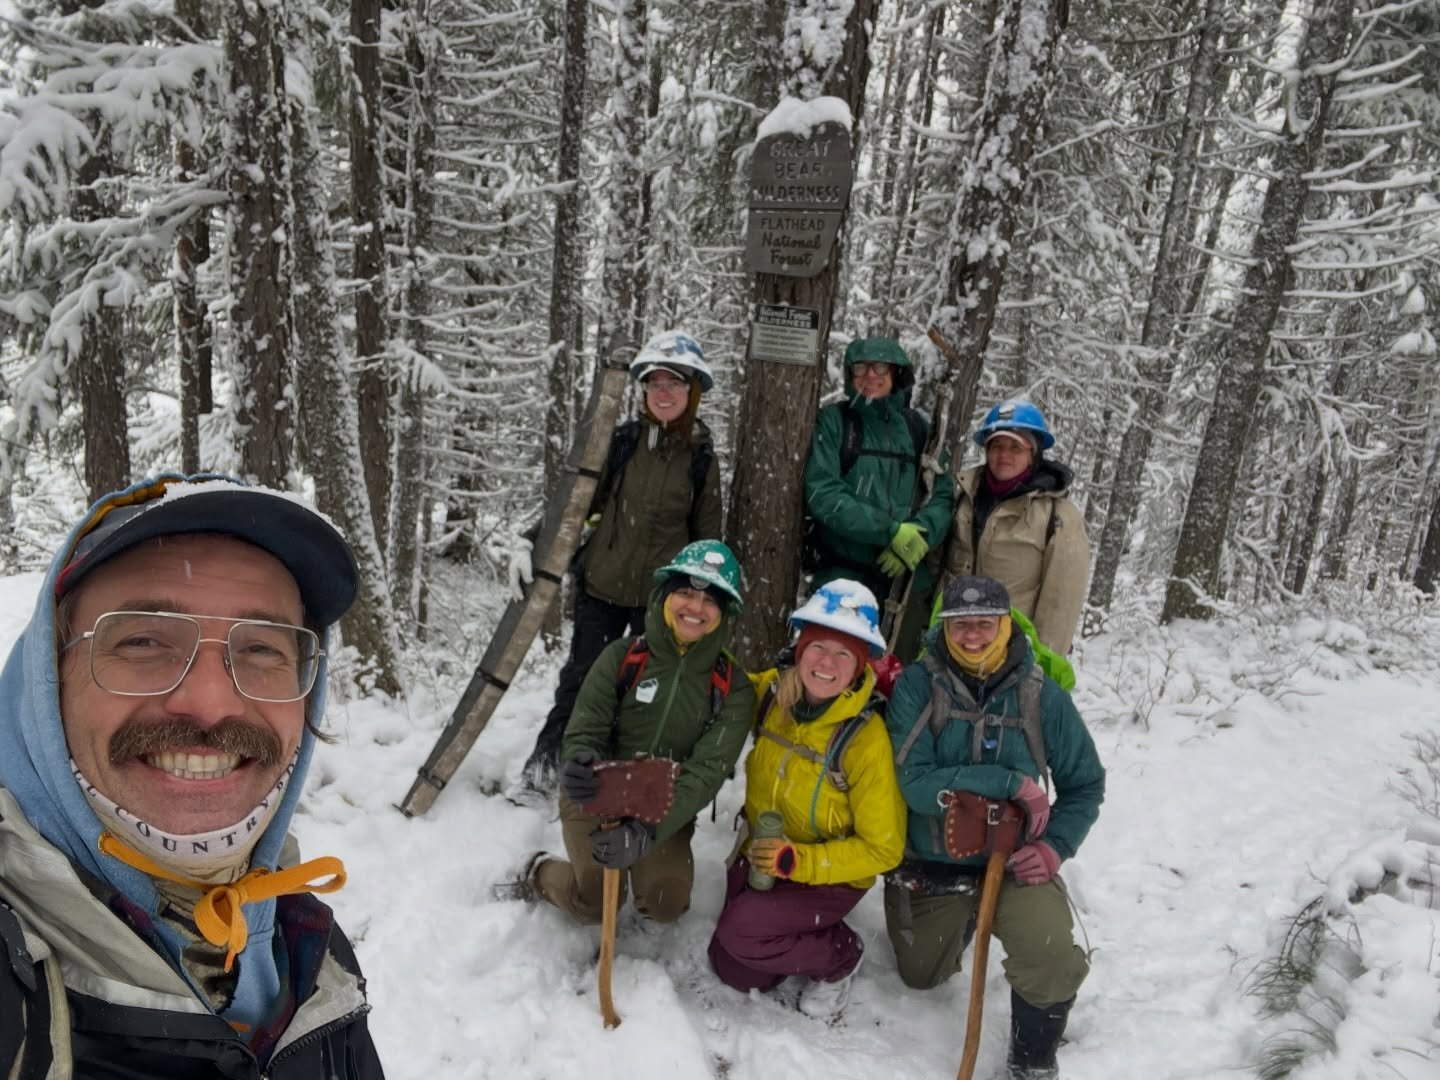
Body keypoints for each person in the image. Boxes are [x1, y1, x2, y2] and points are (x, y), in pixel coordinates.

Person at [0, 473, 384, 1078]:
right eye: (144, 639)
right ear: (48, 682)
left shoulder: (308, 954)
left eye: (262, 649)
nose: (210, 704)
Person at [884, 575, 1104, 1080]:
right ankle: (961, 920)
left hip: (1014, 860)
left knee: (1049, 956)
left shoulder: (1042, 697)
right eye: (960, 624)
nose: (972, 635)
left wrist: (1054, 848)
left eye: (985, 623)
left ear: (1006, 625)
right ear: (944, 626)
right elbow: (912, 782)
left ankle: (1032, 1060)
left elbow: (1086, 784)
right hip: (934, 860)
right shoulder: (918, 686)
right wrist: (1008, 781)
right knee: (920, 974)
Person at [500, 541, 754, 927]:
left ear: (724, 612)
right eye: (685, 592)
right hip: (598, 795)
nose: (695, 608)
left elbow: (706, 773)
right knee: (594, 902)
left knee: (667, 902)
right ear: (666, 595)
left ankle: (646, 861)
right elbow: (587, 725)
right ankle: (538, 871)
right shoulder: (624, 656)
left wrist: (648, 830)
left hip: (665, 803)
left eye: (710, 600)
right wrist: (580, 762)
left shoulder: (732, 688)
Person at [519, 330, 724, 795]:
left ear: (692, 392)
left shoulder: (701, 459)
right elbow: (576, 500)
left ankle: (614, 779)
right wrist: (528, 542)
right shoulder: (622, 443)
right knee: (582, 678)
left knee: (641, 691)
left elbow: (707, 540)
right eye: (654, 384)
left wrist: (700, 601)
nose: (663, 393)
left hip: (659, 601)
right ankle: (546, 770)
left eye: (674, 383)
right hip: (601, 587)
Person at [707, 580, 905, 1020]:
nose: (826, 664)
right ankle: (787, 931)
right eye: (818, 647)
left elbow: (884, 849)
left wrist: (800, 862)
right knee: (735, 969)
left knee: (742, 932)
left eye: (844, 654)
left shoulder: (864, 740)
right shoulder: (772, 695)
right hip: (765, 853)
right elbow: (720, 682)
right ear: (799, 649)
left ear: (858, 667)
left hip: (828, 874)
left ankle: (840, 956)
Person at [803, 336, 953, 661]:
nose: (870, 375)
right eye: (860, 367)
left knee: (898, 678)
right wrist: (890, 532)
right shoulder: (835, 422)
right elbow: (823, 493)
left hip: (905, 582)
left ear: (897, 373)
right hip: (842, 575)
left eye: (880, 367)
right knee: (835, 669)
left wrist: (917, 536)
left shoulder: (920, 431)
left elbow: (943, 495)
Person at [942, 399, 1089, 655]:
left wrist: (1043, 665)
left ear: (1033, 454)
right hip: (953, 645)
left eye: (1015, 446)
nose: (1004, 454)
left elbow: (1060, 606)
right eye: (997, 445)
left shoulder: (1059, 517)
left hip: (1011, 655)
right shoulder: (963, 498)